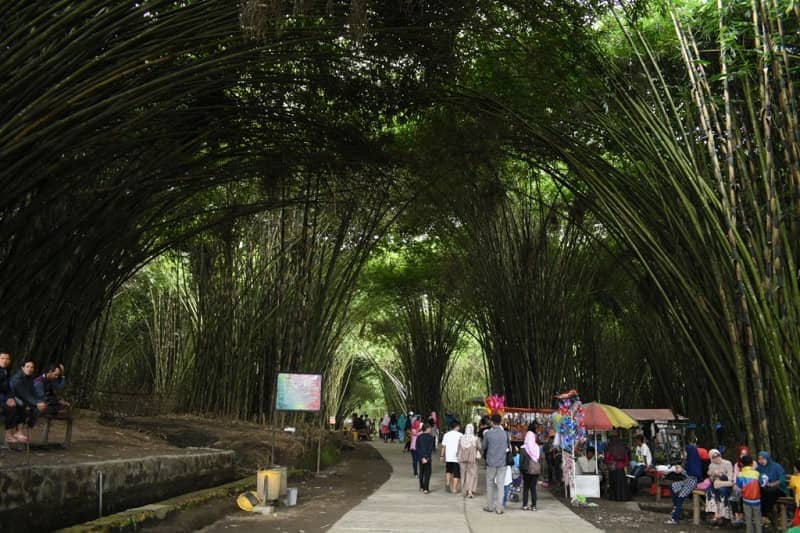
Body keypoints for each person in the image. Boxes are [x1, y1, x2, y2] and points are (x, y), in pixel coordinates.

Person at [665, 443, 704, 525]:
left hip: (693, 482)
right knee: (672, 486)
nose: (684, 454)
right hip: (687, 480)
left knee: (680, 497)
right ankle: (676, 508)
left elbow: (694, 475)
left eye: (685, 452)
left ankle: (675, 518)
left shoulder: (694, 462)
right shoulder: (688, 460)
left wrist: (682, 470)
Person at [10, 359, 48, 430]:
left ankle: (29, 428)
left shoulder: (30, 378)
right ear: (22, 368)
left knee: (37, 408)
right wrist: (36, 403)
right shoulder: (17, 378)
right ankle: (18, 430)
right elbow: (25, 394)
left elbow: (33, 392)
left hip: (24, 398)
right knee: (23, 406)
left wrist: (40, 402)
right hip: (13, 397)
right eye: (27, 367)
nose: (30, 369)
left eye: (32, 367)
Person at [482, 414, 508, 514]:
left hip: (491, 462)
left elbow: (484, 447)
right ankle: (499, 508)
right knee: (501, 485)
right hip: (502, 462)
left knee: (490, 484)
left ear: (492, 422)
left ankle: (490, 506)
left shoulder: (488, 434)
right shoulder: (505, 434)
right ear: (501, 422)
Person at [0, 351, 27, 443]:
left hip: (6, 397)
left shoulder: (6, 371)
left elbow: (8, 388)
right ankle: (8, 434)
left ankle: (18, 431)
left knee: (22, 404)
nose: (5, 361)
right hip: (1, 398)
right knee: (11, 408)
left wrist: (12, 397)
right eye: (2, 358)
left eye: (7, 359)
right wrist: (6, 399)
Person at [756, 451, 787, 522]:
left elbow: (782, 479)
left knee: (770, 492)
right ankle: (765, 515)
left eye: (763, 459)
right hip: (765, 490)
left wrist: (773, 484)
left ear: (768, 458)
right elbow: (756, 478)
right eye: (759, 459)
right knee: (760, 492)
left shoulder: (776, 466)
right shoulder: (759, 468)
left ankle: (766, 514)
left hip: (779, 489)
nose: (761, 461)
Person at [735, 454, 762, 533]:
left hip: (746, 500)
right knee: (757, 519)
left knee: (748, 519)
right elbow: (762, 483)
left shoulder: (740, 474)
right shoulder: (757, 473)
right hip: (757, 500)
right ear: (752, 464)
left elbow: (739, 486)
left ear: (742, 464)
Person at [706, 448, 734, 524]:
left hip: (726, 484)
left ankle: (722, 515)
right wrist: (712, 475)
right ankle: (716, 514)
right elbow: (712, 480)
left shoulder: (727, 463)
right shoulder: (711, 465)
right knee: (709, 490)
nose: (716, 458)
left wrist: (720, 475)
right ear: (711, 458)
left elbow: (730, 478)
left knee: (722, 490)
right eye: (713, 457)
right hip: (716, 484)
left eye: (717, 455)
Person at [519, 422, 541, 511]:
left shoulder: (523, 448)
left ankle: (525, 505)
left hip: (526, 470)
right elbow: (540, 459)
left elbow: (521, 461)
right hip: (535, 470)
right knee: (533, 488)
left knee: (526, 488)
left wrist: (521, 470)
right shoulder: (537, 447)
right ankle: (534, 506)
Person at [604, 431, 630, 501]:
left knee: (614, 484)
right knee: (622, 484)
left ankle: (615, 497)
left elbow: (606, 458)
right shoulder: (622, 446)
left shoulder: (610, 446)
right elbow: (626, 459)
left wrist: (608, 464)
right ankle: (623, 497)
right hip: (621, 468)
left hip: (613, 467)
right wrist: (625, 465)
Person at [457, 423, 480, 498]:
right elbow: (480, 447)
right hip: (472, 459)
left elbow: (458, 449)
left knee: (463, 474)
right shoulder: (475, 439)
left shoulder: (461, 438)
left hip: (462, 459)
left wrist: (458, 457)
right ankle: (470, 491)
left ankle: (464, 491)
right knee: (472, 475)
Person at [732, 445, 752, 526]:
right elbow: (735, 477)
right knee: (733, 497)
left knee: (743, 497)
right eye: (741, 454)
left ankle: (743, 516)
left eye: (745, 454)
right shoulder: (737, 465)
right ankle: (737, 517)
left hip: (750, 487)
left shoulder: (753, 463)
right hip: (739, 486)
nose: (743, 456)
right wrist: (735, 484)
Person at [440, 421, 462, 493]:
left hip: (448, 456)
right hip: (457, 457)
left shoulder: (446, 434)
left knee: (448, 470)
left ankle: (447, 483)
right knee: (456, 473)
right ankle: (454, 489)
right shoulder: (461, 435)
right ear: (457, 426)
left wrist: (442, 455)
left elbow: (443, 446)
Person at [416, 423, 435, 494]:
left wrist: (422, 457)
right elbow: (430, 449)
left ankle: (421, 487)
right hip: (427, 458)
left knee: (421, 472)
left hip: (421, 458)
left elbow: (417, 448)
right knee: (427, 473)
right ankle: (426, 489)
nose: (431, 429)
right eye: (430, 428)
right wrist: (426, 458)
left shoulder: (419, 437)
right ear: (427, 429)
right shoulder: (431, 437)